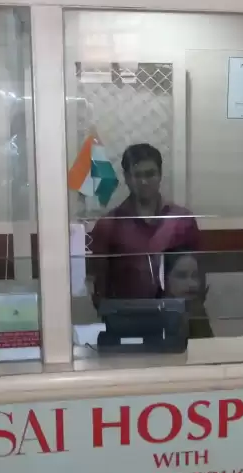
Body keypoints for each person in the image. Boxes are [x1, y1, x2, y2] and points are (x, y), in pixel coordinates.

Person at [90, 143, 199, 303]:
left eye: (150, 174)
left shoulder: (182, 220)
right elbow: (100, 289)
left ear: (160, 175)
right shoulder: (108, 225)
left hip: (174, 312)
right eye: (137, 175)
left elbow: (197, 278)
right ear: (127, 178)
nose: (144, 181)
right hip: (126, 314)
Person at [162, 249, 214, 339]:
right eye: (181, 276)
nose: (192, 284)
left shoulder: (198, 311)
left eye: (195, 275)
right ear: (164, 279)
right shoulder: (155, 317)